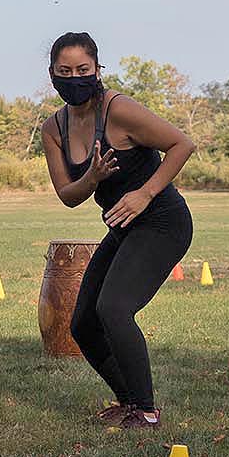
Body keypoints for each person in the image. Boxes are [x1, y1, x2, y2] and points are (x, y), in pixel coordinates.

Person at [41, 31, 195, 429]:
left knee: (114, 308)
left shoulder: (118, 110)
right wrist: (92, 178)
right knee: (83, 324)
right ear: (52, 74)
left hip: (162, 220)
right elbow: (68, 195)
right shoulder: (53, 129)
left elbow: (181, 144)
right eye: (65, 71)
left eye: (82, 69)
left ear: (97, 69)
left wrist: (144, 193)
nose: (74, 77)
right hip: (125, 228)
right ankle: (128, 402)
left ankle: (146, 411)